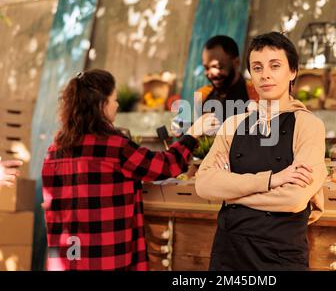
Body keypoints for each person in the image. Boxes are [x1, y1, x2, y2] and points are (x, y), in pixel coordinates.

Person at [41, 69, 218, 271]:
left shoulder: (53, 152)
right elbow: (165, 165)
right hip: (107, 260)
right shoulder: (115, 147)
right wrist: (193, 134)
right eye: (114, 99)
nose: (117, 105)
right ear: (101, 105)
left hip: (66, 261)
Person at [195, 32, 327, 271]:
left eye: (275, 66)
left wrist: (230, 193)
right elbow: (203, 184)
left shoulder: (308, 125)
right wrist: (272, 180)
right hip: (229, 255)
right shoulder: (233, 125)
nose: (265, 74)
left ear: (293, 72)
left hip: (280, 258)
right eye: (257, 67)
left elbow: (295, 198)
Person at [197, 35, 259, 120]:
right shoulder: (203, 95)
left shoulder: (255, 93)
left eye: (218, 67)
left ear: (236, 63)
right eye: (206, 68)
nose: (211, 73)